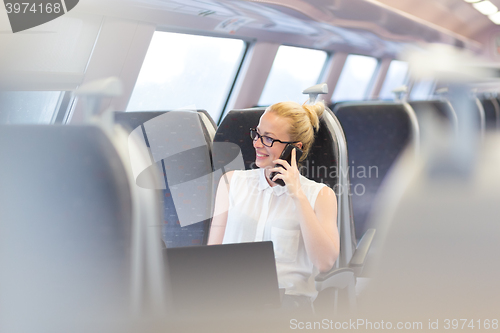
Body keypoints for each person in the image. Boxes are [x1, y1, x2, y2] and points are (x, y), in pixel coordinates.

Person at [208, 101, 339, 312]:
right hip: (231, 301)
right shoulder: (231, 182)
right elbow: (211, 257)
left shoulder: (320, 195)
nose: (257, 143)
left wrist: (297, 195)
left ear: (294, 149)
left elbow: (325, 262)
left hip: (286, 307)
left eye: (268, 138)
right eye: (257, 134)